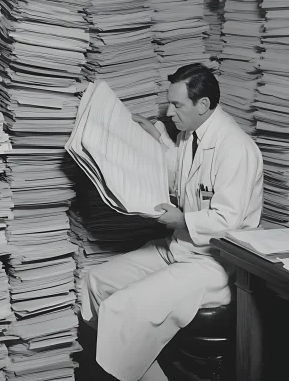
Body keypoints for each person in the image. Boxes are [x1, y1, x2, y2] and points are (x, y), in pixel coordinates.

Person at [79, 63, 264, 381]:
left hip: (214, 264)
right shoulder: (190, 135)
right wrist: (156, 139)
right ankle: (139, 366)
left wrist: (180, 218)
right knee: (94, 281)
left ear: (202, 105)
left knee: (121, 307)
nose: (171, 112)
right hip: (179, 247)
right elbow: (180, 174)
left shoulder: (236, 148)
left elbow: (228, 220)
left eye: (177, 105)